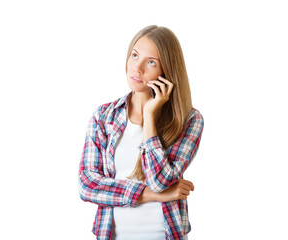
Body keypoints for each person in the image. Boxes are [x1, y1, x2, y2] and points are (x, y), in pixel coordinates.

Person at [78, 25, 204, 240]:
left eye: (151, 62)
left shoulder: (189, 119)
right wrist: (154, 195)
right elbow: (88, 185)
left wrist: (149, 117)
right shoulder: (104, 116)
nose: (137, 68)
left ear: (167, 72)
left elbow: (159, 181)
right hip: (112, 234)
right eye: (135, 56)